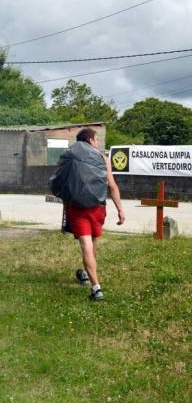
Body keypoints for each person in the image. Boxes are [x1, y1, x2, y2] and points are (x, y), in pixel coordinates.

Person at [62, 128, 125, 301]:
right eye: (96, 139)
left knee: (86, 245)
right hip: (98, 208)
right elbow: (112, 186)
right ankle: (86, 274)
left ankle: (96, 288)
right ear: (90, 140)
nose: (97, 142)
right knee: (92, 244)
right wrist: (120, 209)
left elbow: (62, 184)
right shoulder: (103, 159)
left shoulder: (70, 157)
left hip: (77, 209)